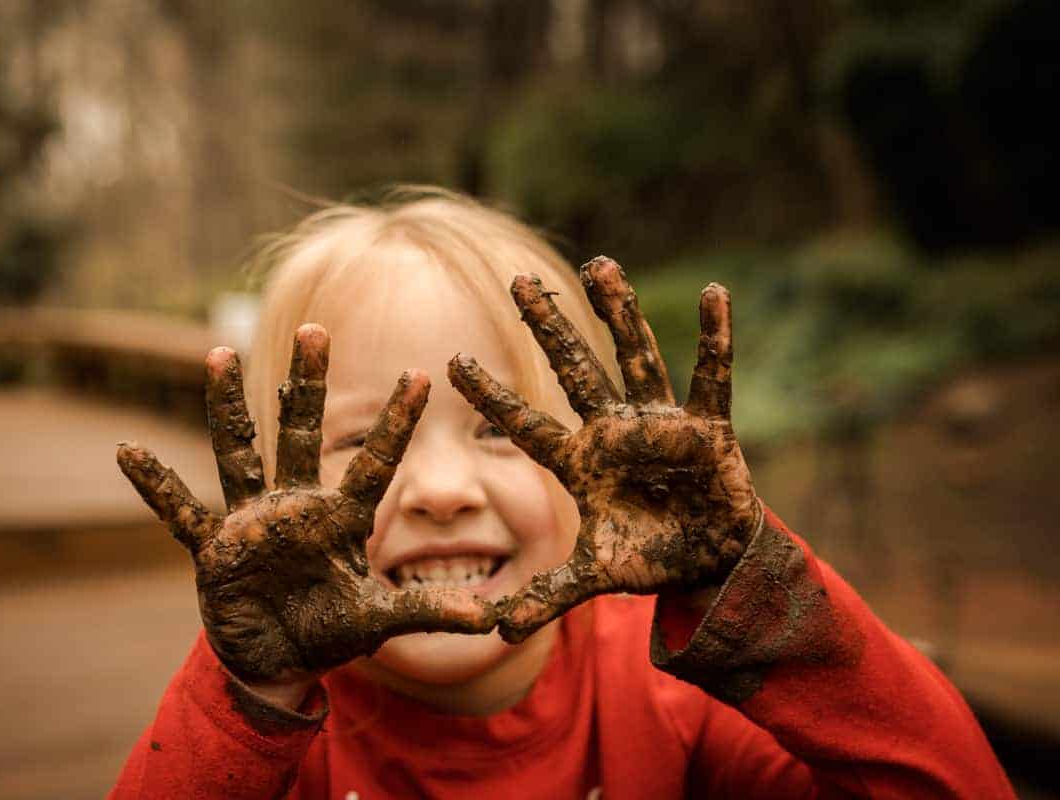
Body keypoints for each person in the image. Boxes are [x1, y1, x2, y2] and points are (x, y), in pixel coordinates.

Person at [111, 188, 1012, 799]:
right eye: (361, 444)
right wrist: (248, 693)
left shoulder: (671, 693)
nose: (440, 490)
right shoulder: (274, 740)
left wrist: (754, 587)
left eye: (501, 427)